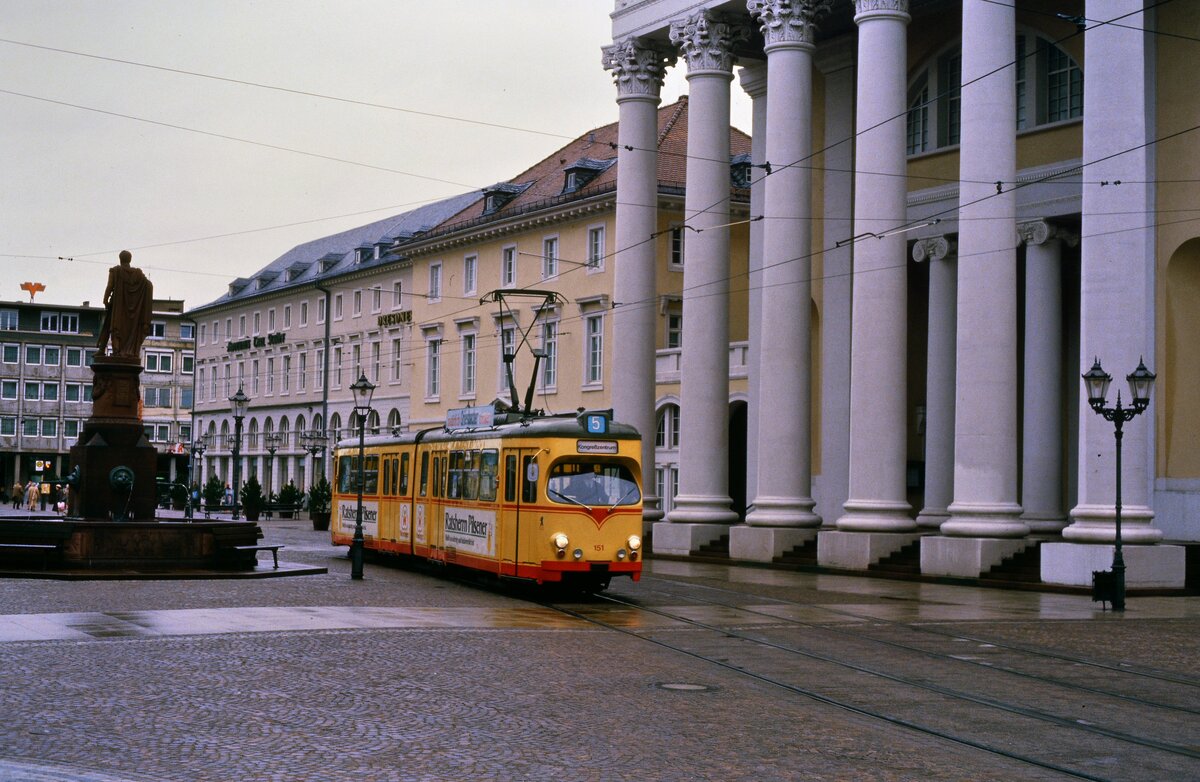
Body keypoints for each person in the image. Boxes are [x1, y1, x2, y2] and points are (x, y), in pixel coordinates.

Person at [96, 250, 153, 359]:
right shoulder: (139, 275)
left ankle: (111, 351)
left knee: (112, 326)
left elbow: (109, 286)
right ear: (130, 260)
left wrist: (105, 299)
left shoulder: (116, 271)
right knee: (123, 329)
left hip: (117, 307)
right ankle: (109, 350)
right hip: (132, 312)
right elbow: (149, 285)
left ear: (120, 259)